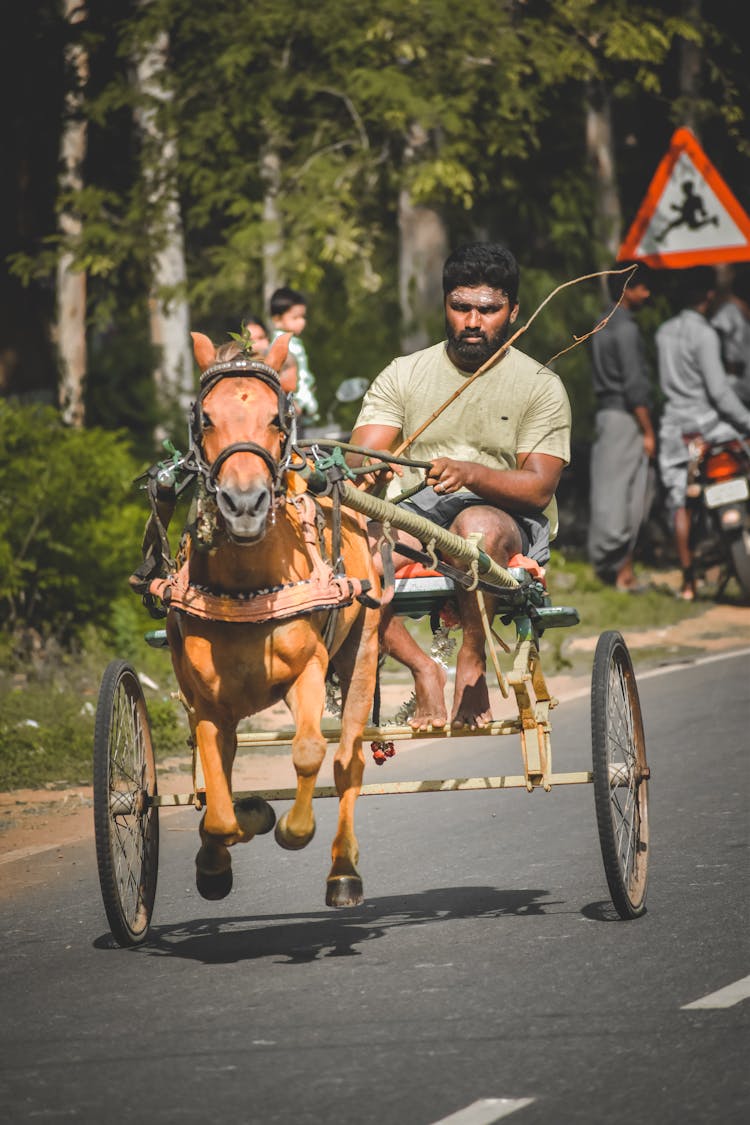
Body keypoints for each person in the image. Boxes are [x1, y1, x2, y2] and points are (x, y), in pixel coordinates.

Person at [349, 242, 571, 731]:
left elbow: (537, 489)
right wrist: (369, 468)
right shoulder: (404, 374)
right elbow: (361, 453)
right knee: (357, 555)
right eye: (461, 307)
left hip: (505, 516)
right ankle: (424, 670)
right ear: (445, 306)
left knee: (473, 529)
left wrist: (470, 474)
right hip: (414, 513)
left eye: (488, 310)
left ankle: (471, 664)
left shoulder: (539, 385)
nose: (473, 321)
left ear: (512, 311)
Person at [656, 267, 750, 600]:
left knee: (680, 504)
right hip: (708, 427)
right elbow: (720, 392)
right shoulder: (706, 334)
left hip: (673, 431)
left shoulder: (663, 333)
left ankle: (687, 583)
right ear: (708, 296)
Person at [587, 262, 657, 590]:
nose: (647, 293)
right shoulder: (626, 329)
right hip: (626, 418)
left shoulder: (601, 322)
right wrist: (648, 431)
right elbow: (635, 387)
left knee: (609, 493)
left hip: (605, 416)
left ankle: (613, 567)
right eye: (642, 287)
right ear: (627, 290)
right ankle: (622, 573)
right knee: (631, 494)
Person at [269, 286, 320, 427]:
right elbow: (278, 379)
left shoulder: (295, 343)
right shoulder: (281, 346)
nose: (302, 322)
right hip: (291, 410)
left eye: (303, 317)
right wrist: (292, 403)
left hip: (300, 411)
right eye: (295, 317)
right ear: (277, 320)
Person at [710, 269, 750, 406]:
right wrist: (724, 363)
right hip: (735, 389)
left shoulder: (742, 310)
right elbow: (715, 333)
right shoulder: (730, 310)